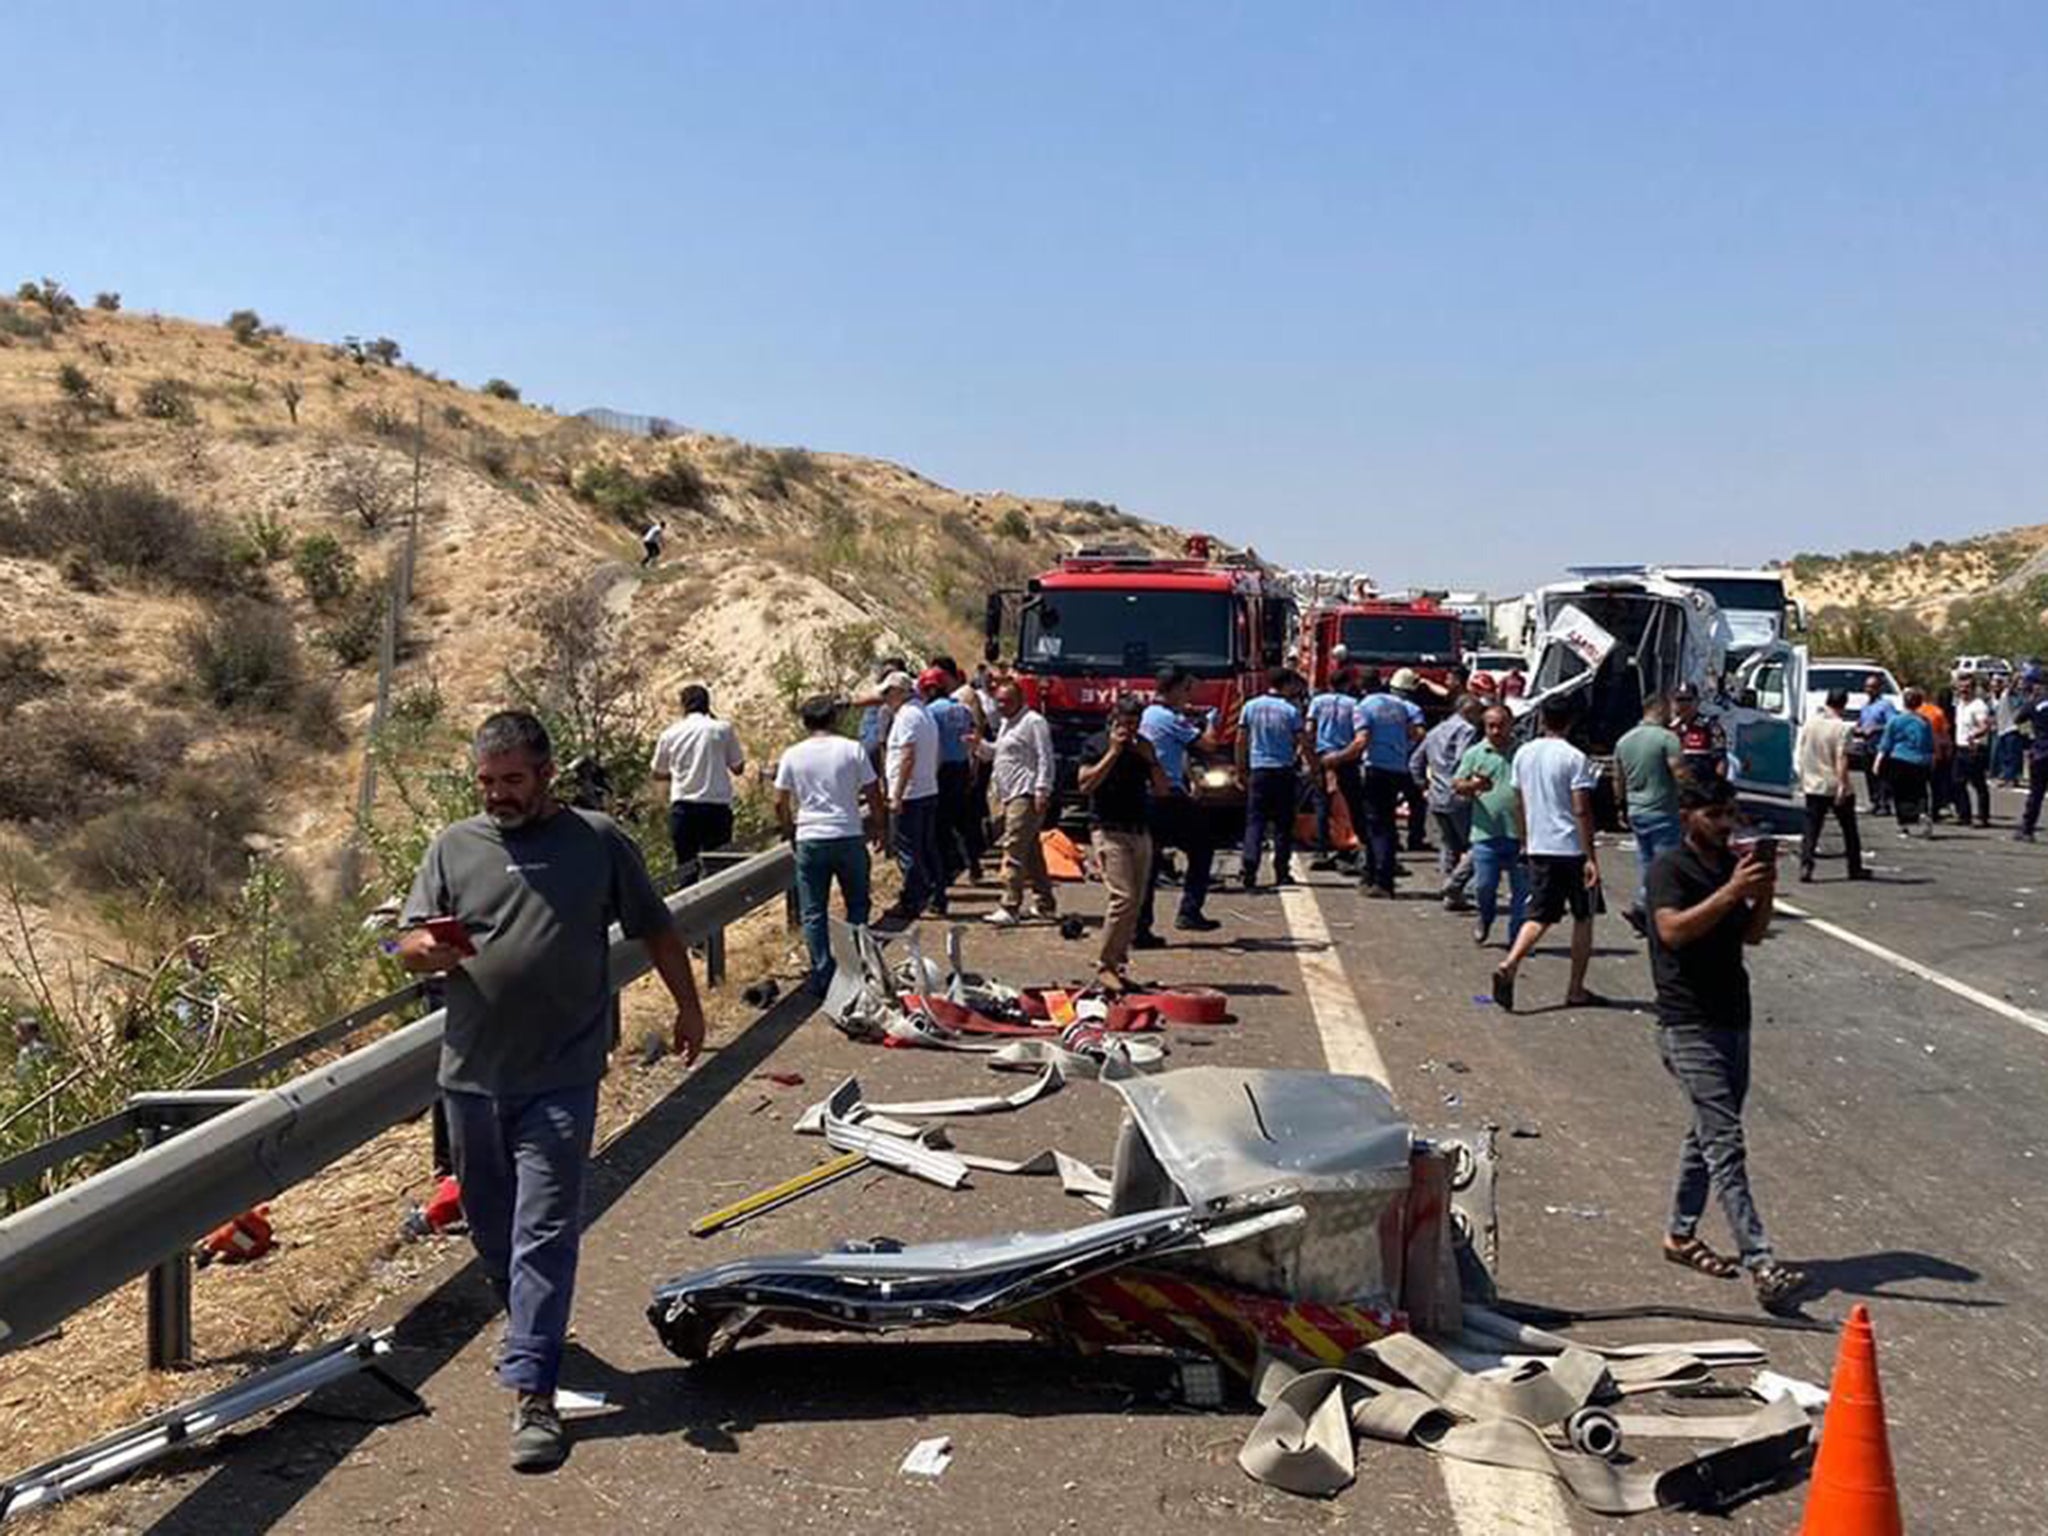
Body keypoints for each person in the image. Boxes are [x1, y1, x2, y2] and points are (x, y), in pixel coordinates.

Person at [398, 711, 705, 1471]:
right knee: (492, 1227)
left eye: (512, 781)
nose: (498, 795)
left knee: (544, 1227)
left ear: (546, 773)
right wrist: (423, 952)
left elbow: (655, 928)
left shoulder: (596, 841)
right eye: (487, 783)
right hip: (470, 1075)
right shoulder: (453, 847)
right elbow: (406, 943)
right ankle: (531, 1323)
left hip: (563, 1074)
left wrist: (689, 1004)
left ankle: (533, 1391)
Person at [1646, 778, 1810, 1314]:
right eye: (1716, 814)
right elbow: (1671, 931)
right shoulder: (1671, 868)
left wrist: (1761, 891)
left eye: (1731, 814)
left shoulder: (1727, 867)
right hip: (1687, 1022)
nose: (1726, 824)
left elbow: (1753, 935)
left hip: (1731, 1017)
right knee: (1725, 1141)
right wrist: (1730, 892)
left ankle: (1679, 1234)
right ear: (1688, 814)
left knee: (1707, 1133)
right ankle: (1761, 1260)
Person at [1490, 695, 1602, 1013]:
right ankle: (1575, 988)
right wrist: (1590, 856)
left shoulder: (1524, 754)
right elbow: (1581, 809)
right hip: (1571, 848)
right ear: (1570, 721)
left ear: (1542, 719)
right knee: (1584, 917)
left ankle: (1511, 962)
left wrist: (1526, 840)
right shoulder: (1574, 757)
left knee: (1539, 915)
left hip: (1539, 845)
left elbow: (1519, 801)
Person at [775, 696, 885, 995]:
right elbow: (873, 793)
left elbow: (779, 800)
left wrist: (790, 830)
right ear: (833, 719)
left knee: (814, 911)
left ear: (805, 722)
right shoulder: (852, 749)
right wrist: (880, 827)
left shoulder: (793, 754)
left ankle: (823, 974)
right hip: (848, 834)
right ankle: (855, 969)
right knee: (858, 904)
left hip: (811, 837)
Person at [1077, 695, 1171, 992]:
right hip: (1108, 829)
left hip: (1139, 829)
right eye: (1124, 724)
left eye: (1135, 724)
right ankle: (1104, 964)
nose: (1129, 730)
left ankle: (1118, 963)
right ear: (1113, 719)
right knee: (1123, 897)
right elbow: (1085, 784)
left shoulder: (1143, 748)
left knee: (1137, 900)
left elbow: (1162, 790)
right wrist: (1113, 753)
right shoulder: (1096, 744)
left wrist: (1151, 759)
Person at [1136, 664, 1224, 943]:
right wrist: (1211, 720)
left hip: (1150, 793)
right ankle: (1189, 911)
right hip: (1167, 797)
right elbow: (1208, 745)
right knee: (1203, 846)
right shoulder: (1170, 719)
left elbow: (1174, 751)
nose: (1188, 696)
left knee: (1149, 862)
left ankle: (1140, 927)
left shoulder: (1149, 714)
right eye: (1186, 690)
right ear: (1173, 689)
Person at [1327, 666, 1425, 899]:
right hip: (1398, 769)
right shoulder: (1399, 706)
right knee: (1387, 825)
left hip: (1376, 770)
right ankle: (1376, 875)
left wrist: (1336, 758)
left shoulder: (1364, 708)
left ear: (1361, 686)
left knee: (1376, 826)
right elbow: (1415, 733)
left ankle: (1381, 879)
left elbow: (1361, 741)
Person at [980, 681, 1059, 926]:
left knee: (1013, 848)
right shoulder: (1006, 723)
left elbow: (1045, 757)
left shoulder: (1033, 722)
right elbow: (998, 752)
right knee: (1032, 851)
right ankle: (1045, 903)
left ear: (1020, 700)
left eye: (1006, 701)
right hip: (1007, 792)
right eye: (998, 701)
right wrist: (977, 746)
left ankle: (1009, 905)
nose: (1001, 706)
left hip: (1025, 793)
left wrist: (1043, 789)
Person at [650, 685, 745, 885]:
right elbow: (738, 767)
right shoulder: (722, 729)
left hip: (684, 807)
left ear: (683, 706)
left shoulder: (670, 734)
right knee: (718, 870)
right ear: (707, 704)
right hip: (716, 807)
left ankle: (689, 914)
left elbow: (657, 772)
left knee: (686, 869)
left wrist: (677, 775)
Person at [1454, 705, 1528, 947]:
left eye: (1501, 725)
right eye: (1491, 726)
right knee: (1485, 887)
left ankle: (1516, 938)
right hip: (1486, 834)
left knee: (1522, 893)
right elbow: (1457, 784)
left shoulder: (1523, 753)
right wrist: (1474, 785)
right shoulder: (1476, 753)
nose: (1496, 731)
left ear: (1511, 724)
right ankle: (1485, 918)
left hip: (1521, 835)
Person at [1614, 695, 1685, 935]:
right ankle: (1651, 911)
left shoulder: (1624, 740)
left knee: (1646, 862)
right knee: (1666, 865)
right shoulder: (1668, 739)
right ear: (1661, 709)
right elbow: (1679, 773)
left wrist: (1620, 806)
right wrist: (1692, 797)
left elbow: (1618, 779)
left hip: (1636, 810)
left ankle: (1646, 909)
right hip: (1663, 810)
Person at [879, 671, 945, 920]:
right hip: (927, 789)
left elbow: (907, 755)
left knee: (908, 851)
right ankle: (937, 897)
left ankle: (914, 900)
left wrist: (896, 795)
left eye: (887, 692)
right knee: (928, 848)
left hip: (910, 794)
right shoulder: (924, 713)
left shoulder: (906, 717)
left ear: (899, 692)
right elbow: (936, 754)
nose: (885, 698)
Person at [1236, 670, 1309, 890]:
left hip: (1259, 770)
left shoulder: (1250, 706)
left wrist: (1241, 769)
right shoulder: (1291, 710)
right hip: (1283, 771)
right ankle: (1281, 871)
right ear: (1285, 684)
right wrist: (1313, 768)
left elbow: (1241, 740)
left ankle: (1249, 867)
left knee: (1255, 822)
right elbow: (1302, 741)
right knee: (1283, 825)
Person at [1414, 694, 1482, 910]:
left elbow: (1415, 761)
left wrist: (1424, 786)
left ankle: (1452, 895)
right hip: (1459, 795)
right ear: (1469, 711)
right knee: (1478, 844)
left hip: (1437, 796)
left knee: (1448, 845)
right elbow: (1465, 760)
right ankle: (1454, 885)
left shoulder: (1436, 730)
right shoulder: (1467, 731)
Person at [1795, 690, 1868, 882]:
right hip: (1834, 783)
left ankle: (1806, 864)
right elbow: (1841, 757)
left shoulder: (1810, 724)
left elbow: (1801, 751)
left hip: (1813, 782)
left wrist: (1802, 777)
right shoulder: (1842, 728)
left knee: (1811, 827)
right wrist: (1843, 785)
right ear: (1843, 704)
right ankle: (1855, 867)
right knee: (1849, 829)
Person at [922, 667, 981, 887]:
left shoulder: (930, 712)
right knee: (964, 821)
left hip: (942, 771)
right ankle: (974, 865)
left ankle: (946, 872)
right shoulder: (962, 710)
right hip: (962, 768)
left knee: (941, 825)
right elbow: (974, 737)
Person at [1305, 672, 1358, 870]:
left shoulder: (1318, 702)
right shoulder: (1354, 704)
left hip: (1322, 756)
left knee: (1322, 805)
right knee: (1348, 804)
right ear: (1348, 683)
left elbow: (1309, 729)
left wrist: (1309, 756)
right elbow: (1359, 731)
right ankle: (1345, 846)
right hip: (1345, 757)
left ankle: (1320, 850)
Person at [1875, 686, 1936, 838]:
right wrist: (1931, 759)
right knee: (1920, 791)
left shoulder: (1895, 720)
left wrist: (1878, 761)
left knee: (1901, 793)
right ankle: (1922, 812)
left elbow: (1886, 743)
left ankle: (1904, 825)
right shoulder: (1924, 722)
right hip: (1920, 761)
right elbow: (1929, 744)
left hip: (1900, 759)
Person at [1390, 668, 1438, 850]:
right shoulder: (1413, 709)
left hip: (1387, 760)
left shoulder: (1384, 704)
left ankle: (1392, 840)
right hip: (1408, 760)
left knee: (1387, 803)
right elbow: (1420, 734)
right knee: (1416, 802)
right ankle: (1415, 839)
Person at [1952, 675, 1993, 828]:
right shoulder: (1960, 704)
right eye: (1961, 687)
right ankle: (1964, 815)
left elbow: (1985, 726)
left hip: (1974, 749)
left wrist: (1975, 735)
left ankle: (1983, 817)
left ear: (1973, 688)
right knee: (1957, 783)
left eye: (1967, 687)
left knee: (1978, 784)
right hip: (1960, 748)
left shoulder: (1979, 706)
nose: (1963, 690)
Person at [1854, 677, 1898, 814]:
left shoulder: (1886, 705)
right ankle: (1875, 802)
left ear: (1879, 688)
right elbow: (1861, 722)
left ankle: (1885, 804)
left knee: (1882, 775)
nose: (1869, 690)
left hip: (1881, 745)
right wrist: (1858, 729)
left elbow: (1892, 724)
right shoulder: (1866, 706)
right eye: (1867, 687)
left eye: (1872, 687)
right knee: (1869, 775)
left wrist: (1876, 728)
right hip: (1867, 744)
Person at [2015, 667, 2048, 841]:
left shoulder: (2034, 703)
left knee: (2036, 793)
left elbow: (2018, 720)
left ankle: (2027, 829)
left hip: (2041, 752)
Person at [1670, 683, 1724, 786]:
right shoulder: (1667, 727)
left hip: (1700, 787)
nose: (1684, 704)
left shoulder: (1710, 726)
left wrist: (1718, 787)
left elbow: (1720, 760)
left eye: (1688, 700)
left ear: (1697, 702)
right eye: (1679, 699)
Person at [1923, 687, 1957, 823]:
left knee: (1925, 783)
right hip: (1940, 750)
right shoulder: (1942, 712)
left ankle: (1925, 809)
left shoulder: (1926, 710)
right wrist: (1948, 748)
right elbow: (1945, 733)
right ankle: (1936, 809)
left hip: (1925, 750)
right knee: (1938, 783)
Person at [1992, 673, 2024, 788]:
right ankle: (2007, 777)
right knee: (2003, 756)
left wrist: (2015, 677)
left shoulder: (2006, 694)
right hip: (2001, 730)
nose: (1995, 686)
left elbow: (2011, 686)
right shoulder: (1995, 698)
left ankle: (2011, 778)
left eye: (1997, 683)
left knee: (2011, 755)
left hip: (2011, 729)